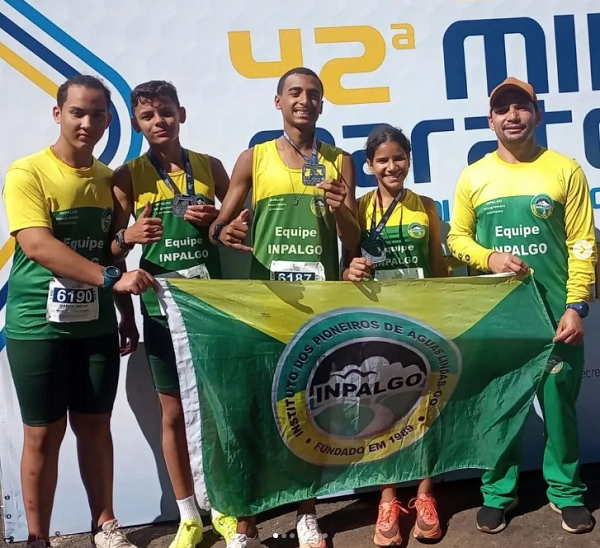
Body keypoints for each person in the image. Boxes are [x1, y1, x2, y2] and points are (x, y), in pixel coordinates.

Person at [2, 75, 156, 548]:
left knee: (95, 427)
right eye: (77, 112)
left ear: (110, 121)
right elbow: (39, 246)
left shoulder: (112, 181)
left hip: (96, 324)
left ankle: (104, 524)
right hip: (36, 327)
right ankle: (36, 537)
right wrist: (112, 279)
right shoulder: (27, 173)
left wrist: (125, 312)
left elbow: (112, 251)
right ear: (58, 114)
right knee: (43, 435)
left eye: (97, 114)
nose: (87, 122)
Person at [209, 66, 360, 548]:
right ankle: (247, 522)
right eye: (295, 93)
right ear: (278, 102)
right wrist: (223, 232)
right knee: (253, 408)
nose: (304, 101)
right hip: (266, 305)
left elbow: (352, 242)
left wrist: (342, 210)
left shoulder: (341, 161)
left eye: (313, 94)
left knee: (308, 411)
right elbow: (220, 226)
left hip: (317, 307)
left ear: (322, 104)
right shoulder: (252, 160)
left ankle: (308, 512)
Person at [448, 77, 596, 535]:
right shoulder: (474, 175)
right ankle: (497, 493)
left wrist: (578, 306)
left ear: (537, 114)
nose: (513, 116)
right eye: (503, 109)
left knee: (560, 410)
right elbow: (455, 239)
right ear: (490, 120)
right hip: (498, 321)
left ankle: (566, 493)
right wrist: (487, 256)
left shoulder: (565, 170)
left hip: (556, 317)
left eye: (522, 107)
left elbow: (583, 244)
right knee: (499, 410)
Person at [110, 80, 237, 548]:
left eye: (165, 112)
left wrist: (219, 219)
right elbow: (111, 251)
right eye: (147, 116)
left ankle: (222, 505)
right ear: (137, 123)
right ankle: (187, 515)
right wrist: (129, 236)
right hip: (161, 309)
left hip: (210, 310)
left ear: (181, 113)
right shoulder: (126, 176)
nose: (159, 121)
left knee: (216, 408)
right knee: (173, 414)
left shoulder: (211, 167)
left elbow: (241, 223)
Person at [343, 125, 446, 545]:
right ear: (368, 166)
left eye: (398, 158)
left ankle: (424, 495)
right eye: (382, 160)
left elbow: (438, 266)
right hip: (375, 325)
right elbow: (343, 265)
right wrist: (350, 270)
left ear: (409, 160)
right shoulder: (358, 209)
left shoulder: (427, 207)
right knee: (381, 411)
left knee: (424, 410)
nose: (391, 166)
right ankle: (388, 496)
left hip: (422, 323)